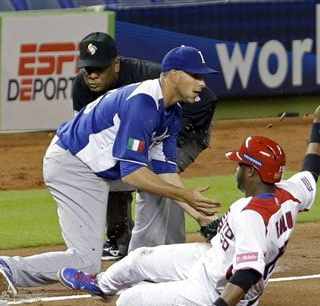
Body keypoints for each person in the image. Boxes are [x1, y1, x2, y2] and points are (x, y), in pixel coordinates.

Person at [56, 92, 320, 306]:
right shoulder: (289, 192)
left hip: (216, 292)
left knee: (128, 301)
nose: (236, 168)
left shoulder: (252, 215)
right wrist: (319, 124)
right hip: (211, 261)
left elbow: (248, 272)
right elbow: (312, 169)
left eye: (240, 164)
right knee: (139, 259)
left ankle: (149, 294)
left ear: (252, 173)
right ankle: (100, 285)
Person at [0, 45, 221, 298]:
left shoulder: (172, 111)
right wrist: (185, 196)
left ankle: (144, 271)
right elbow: (132, 173)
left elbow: (163, 168)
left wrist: (202, 218)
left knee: (161, 191)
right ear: (173, 75)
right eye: (196, 76)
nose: (202, 83)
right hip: (72, 166)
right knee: (85, 262)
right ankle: (9, 266)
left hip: (99, 167)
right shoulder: (143, 104)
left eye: (202, 77)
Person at [72, 32, 218, 260]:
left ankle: (171, 246)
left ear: (116, 65)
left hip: (186, 132)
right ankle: (121, 242)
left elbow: (206, 98)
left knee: (157, 181)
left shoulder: (153, 78)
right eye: (87, 68)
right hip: (141, 133)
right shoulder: (82, 88)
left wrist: (168, 132)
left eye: (99, 68)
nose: (91, 75)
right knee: (116, 170)